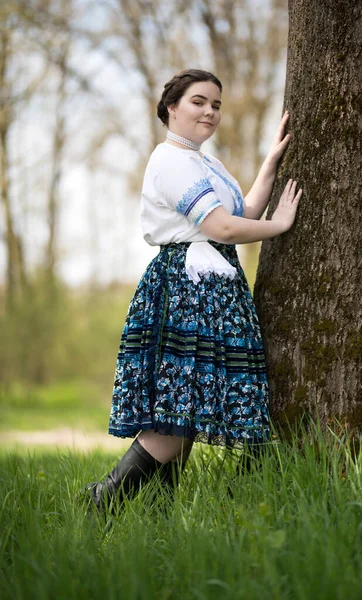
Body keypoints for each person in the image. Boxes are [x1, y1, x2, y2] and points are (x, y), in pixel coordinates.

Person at [81, 68, 302, 513]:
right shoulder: (170, 160)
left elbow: (242, 211)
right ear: (172, 108)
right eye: (199, 101)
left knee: (186, 407)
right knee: (177, 406)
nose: (210, 111)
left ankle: (158, 517)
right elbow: (221, 226)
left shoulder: (205, 162)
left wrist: (271, 162)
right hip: (186, 289)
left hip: (212, 289)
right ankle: (101, 500)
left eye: (216, 104)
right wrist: (278, 227)